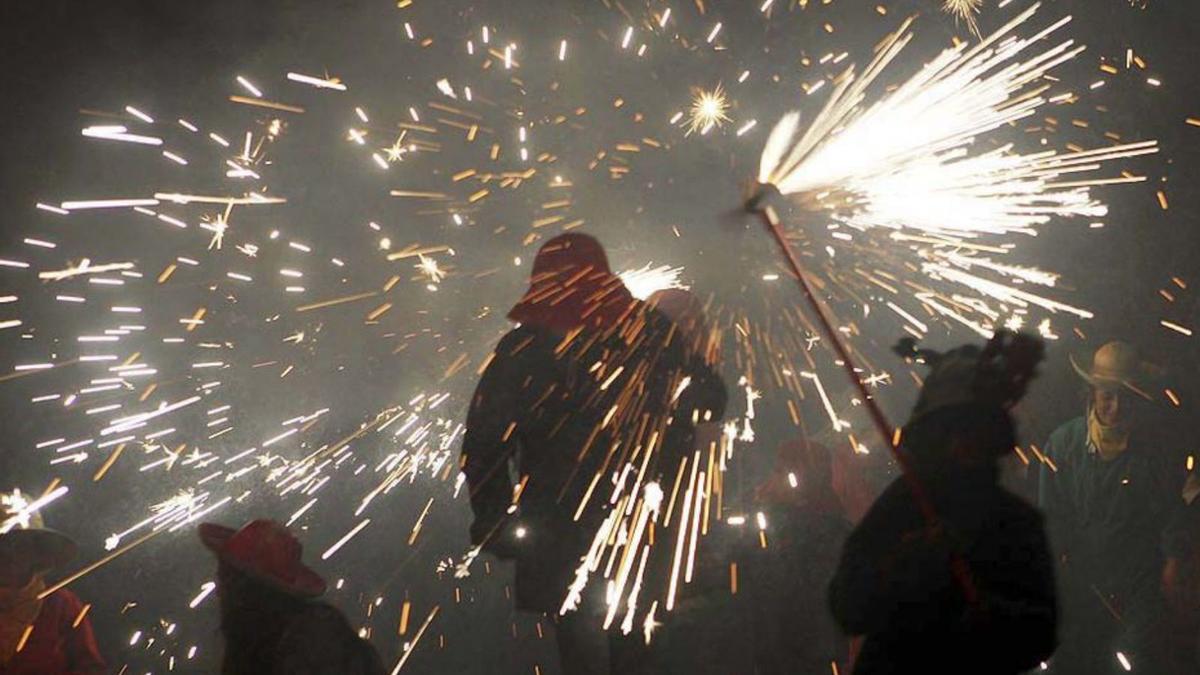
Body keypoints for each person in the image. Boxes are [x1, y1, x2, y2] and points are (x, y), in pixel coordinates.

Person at [462, 233, 688, 675]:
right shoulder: (648, 331)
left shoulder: (523, 350)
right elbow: (706, 394)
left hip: (568, 530)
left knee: (591, 649)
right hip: (633, 526)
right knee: (633, 645)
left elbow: (485, 445)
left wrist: (493, 519)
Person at [829, 331, 1058, 675]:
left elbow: (1039, 634)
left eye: (972, 431)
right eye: (952, 430)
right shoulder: (904, 505)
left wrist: (985, 612)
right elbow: (848, 607)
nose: (960, 445)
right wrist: (907, 564)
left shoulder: (1014, 521)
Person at [1038, 341, 1194, 674]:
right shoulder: (1063, 445)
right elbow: (1050, 519)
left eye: (1125, 396)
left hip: (1139, 584)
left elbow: (1173, 511)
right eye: (1108, 395)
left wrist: (1173, 561)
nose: (1116, 406)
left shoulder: (1156, 450)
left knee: (1130, 663)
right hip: (1082, 582)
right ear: (1091, 392)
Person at [199, 518, 386, 675]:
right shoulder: (256, 642)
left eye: (224, 578)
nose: (218, 591)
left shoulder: (313, 638)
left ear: (244, 589)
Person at [746, 437, 852, 674]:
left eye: (779, 471)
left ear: (799, 478)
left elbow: (797, 598)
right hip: (787, 654)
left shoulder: (824, 531)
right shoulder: (790, 526)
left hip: (805, 658)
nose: (771, 479)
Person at [0, 489, 105, 675]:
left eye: (20, 543)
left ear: (36, 551)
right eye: (5, 542)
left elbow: (90, 669)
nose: (10, 552)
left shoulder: (61, 605)